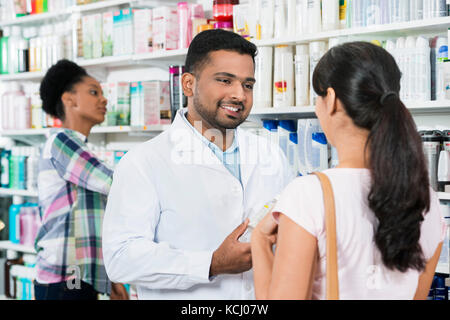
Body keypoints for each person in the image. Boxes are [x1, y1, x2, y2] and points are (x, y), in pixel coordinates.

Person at [102, 29, 295, 300]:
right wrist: (211, 263)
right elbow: (120, 258)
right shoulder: (143, 163)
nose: (239, 95)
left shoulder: (270, 155)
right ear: (189, 84)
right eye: (225, 80)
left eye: (248, 84)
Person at [251, 41, 446, 300]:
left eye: (317, 98)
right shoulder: (427, 201)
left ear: (330, 100)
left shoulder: (308, 195)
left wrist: (260, 242)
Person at [35, 59, 129, 300]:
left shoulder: (77, 147)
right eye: (93, 92)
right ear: (70, 99)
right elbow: (111, 182)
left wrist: (110, 278)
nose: (104, 99)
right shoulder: (62, 142)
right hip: (65, 279)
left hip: (74, 278)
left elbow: (93, 222)